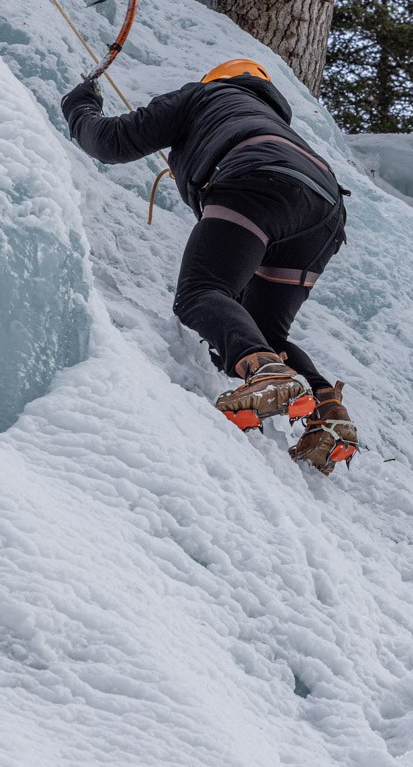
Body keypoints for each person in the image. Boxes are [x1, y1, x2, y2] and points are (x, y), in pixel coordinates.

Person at [61, 58, 358, 474]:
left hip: (258, 179)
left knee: (201, 293)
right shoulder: (274, 121)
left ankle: (265, 371)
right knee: (264, 330)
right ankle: (327, 408)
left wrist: (80, 107)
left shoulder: (205, 95)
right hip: (325, 212)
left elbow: (111, 141)